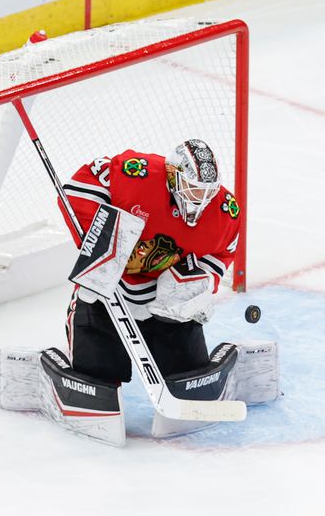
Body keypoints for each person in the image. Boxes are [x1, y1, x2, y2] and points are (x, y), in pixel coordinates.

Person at [60, 139, 240, 386]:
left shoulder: (224, 212)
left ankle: (183, 377)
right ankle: (93, 374)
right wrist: (108, 242)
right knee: (96, 373)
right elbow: (76, 189)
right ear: (172, 175)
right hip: (112, 293)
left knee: (189, 375)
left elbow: (223, 253)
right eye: (193, 187)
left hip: (167, 305)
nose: (201, 198)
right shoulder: (136, 173)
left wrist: (197, 284)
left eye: (207, 191)